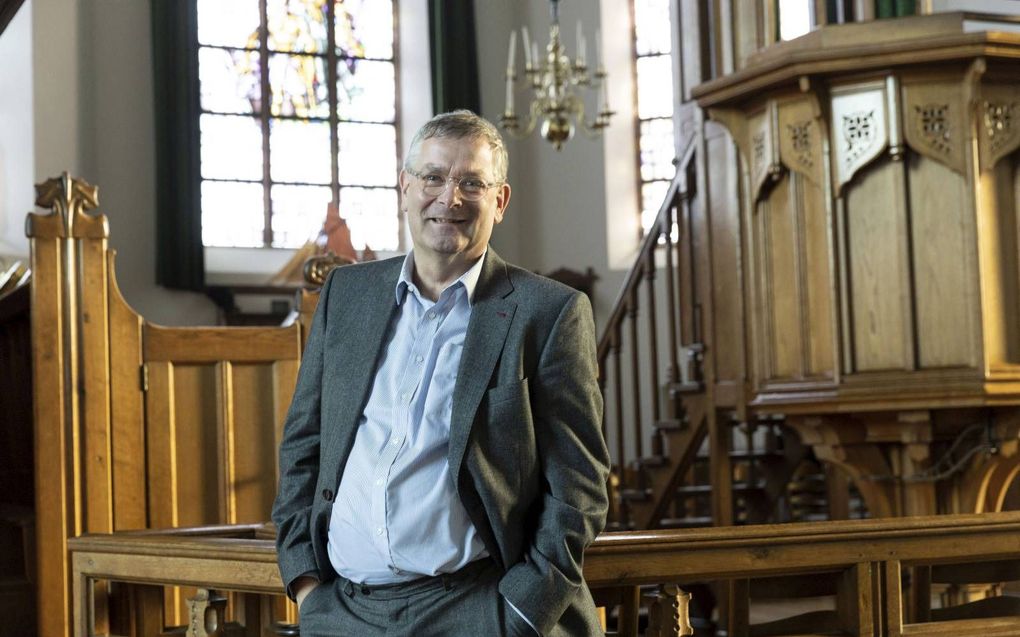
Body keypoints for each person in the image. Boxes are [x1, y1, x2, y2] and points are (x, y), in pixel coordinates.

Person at [272, 110, 610, 637]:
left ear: (499, 201)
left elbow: (580, 486)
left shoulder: (548, 313)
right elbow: (304, 443)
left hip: (475, 610)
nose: (448, 198)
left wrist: (521, 610)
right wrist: (305, 581)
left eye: (471, 182)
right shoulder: (347, 295)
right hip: (342, 613)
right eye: (432, 177)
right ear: (405, 187)